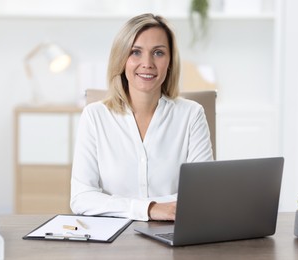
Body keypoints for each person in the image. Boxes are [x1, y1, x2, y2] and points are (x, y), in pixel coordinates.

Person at [70, 13, 213, 221]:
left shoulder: (192, 115)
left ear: (170, 61)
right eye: (135, 52)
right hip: (113, 242)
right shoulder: (94, 116)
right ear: (122, 60)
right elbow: (82, 198)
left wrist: (118, 205)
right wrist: (149, 209)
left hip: (173, 234)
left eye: (158, 53)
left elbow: (203, 194)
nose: (147, 63)